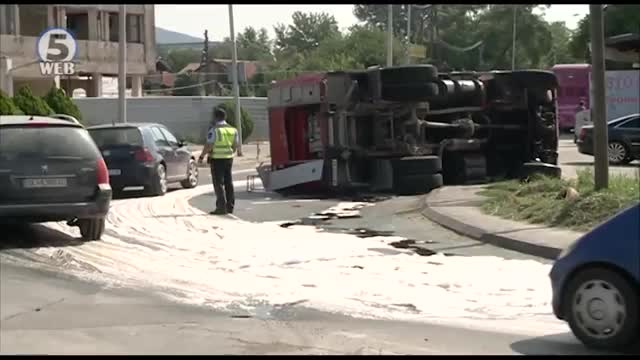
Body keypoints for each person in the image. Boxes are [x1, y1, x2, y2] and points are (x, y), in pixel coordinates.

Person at [198, 107, 240, 215]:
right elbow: (235, 146)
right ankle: (230, 206)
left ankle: (221, 207)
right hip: (229, 159)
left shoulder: (214, 130)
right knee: (228, 183)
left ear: (215, 117)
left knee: (218, 183)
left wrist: (202, 156)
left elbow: (209, 145)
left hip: (217, 159)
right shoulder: (233, 129)